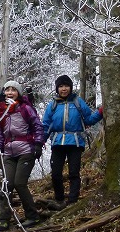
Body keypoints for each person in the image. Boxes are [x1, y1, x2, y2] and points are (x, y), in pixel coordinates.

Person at [43, 75, 103, 209]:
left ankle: (72, 201)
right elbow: (45, 125)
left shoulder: (78, 102)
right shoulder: (52, 105)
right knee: (56, 174)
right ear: (57, 89)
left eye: (66, 86)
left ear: (70, 87)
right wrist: (39, 142)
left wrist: (100, 113)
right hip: (58, 143)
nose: (64, 89)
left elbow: (88, 119)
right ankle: (59, 200)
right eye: (61, 86)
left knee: (74, 173)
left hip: (75, 143)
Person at [0, 80, 44, 229]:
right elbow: (0, 136)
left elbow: (37, 126)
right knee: (7, 185)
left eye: (13, 90)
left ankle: (33, 216)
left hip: (26, 150)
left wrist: (38, 144)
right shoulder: (2, 112)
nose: (10, 92)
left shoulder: (25, 109)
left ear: (19, 93)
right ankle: (3, 219)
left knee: (20, 183)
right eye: (7, 90)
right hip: (9, 152)